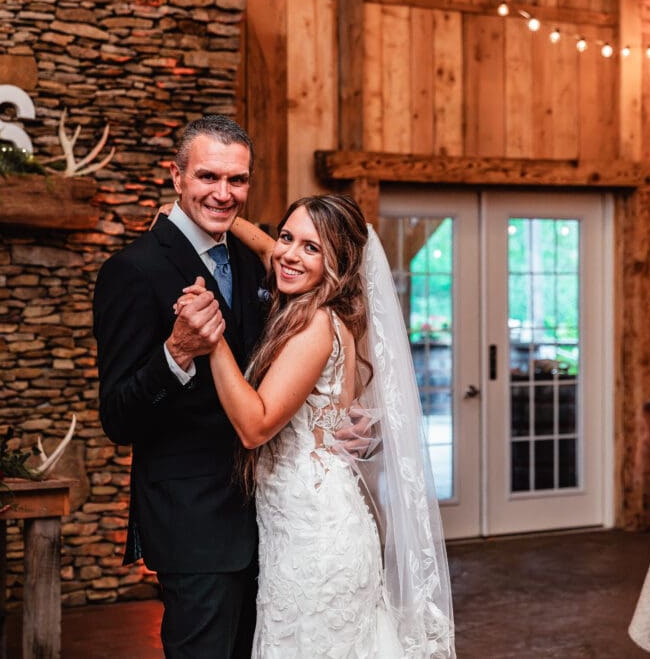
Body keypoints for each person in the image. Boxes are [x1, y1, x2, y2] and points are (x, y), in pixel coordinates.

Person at [178, 194, 455, 656]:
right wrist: (213, 216)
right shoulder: (322, 303)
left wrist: (213, 340)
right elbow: (279, 254)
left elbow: (256, 425)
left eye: (312, 248)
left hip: (316, 542)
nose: (288, 254)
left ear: (338, 264)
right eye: (287, 237)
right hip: (303, 526)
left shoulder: (314, 325)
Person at [92, 115, 268, 657]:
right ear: (176, 176)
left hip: (269, 518)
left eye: (236, 180)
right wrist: (177, 353)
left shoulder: (254, 263)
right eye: (208, 177)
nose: (223, 193)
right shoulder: (132, 270)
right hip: (191, 521)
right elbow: (117, 417)